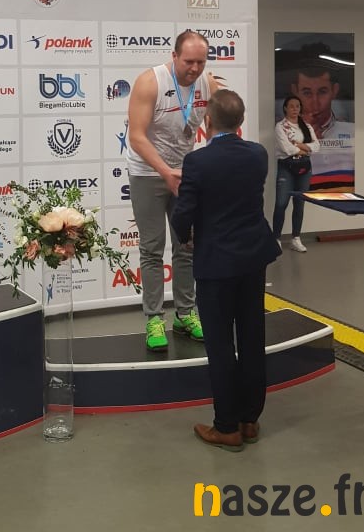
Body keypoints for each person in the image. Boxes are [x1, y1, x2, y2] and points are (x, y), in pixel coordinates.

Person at [171, 90, 280, 452]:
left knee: (220, 346)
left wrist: (186, 237)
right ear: (241, 121)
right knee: (252, 338)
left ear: (207, 122)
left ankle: (226, 427)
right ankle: (250, 420)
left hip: (216, 262)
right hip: (253, 258)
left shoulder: (197, 161)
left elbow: (183, 213)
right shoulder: (257, 154)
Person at [126, 30, 217, 351]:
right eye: (189, 61)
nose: (195, 69)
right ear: (174, 55)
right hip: (148, 173)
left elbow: (215, 126)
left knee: (186, 246)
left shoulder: (208, 84)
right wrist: (165, 172)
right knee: (152, 248)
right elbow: (136, 136)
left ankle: (185, 314)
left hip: (185, 175)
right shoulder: (150, 82)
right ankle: (154, 318)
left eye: (201, 62)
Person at [290, 65, 354, 191]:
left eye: (322, 92)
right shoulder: (283, 135)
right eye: (307, 93)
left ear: (334, 90)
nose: (315, 102)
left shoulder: (353, 132)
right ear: (295, 91)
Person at [272, 94, 320, 252]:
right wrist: (305, 149)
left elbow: (317, 146)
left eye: (297, 106)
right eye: (291, 106)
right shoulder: (280, 127)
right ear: (285, 108)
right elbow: (287, 149)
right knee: (281, 203)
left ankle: (296, 238)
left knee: (299, 204)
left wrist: (299, 145)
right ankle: (276, 238)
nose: (295, 109)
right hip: (286, 167)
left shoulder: (306, 126)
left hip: (304, 168)